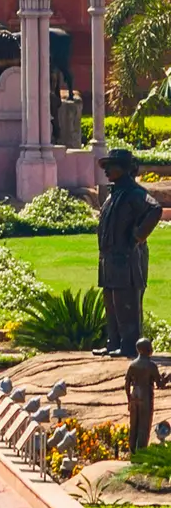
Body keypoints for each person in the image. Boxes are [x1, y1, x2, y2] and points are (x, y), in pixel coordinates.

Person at [104, 150, 161, 353]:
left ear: (124, 169)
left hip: (126, 260)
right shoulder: (113, 195)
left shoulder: (135, 193)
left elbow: (155, 209)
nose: (106, 171)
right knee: (111, 303)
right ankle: (113, 342)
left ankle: (128, 345)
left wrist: (139, 235)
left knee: (126, 302)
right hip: (109, 259)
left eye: (111, 166)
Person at [134, 338, 164, 456]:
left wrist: (128, 400)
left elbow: (127, 383)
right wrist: (167, 378)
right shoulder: (151, 365)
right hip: (146, 396)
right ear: (147, 350)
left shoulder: (133, 364)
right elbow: (159, 384)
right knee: (144, 426)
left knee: (134, 425)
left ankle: (133, 453)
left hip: (134, 396)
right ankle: (141, 454)